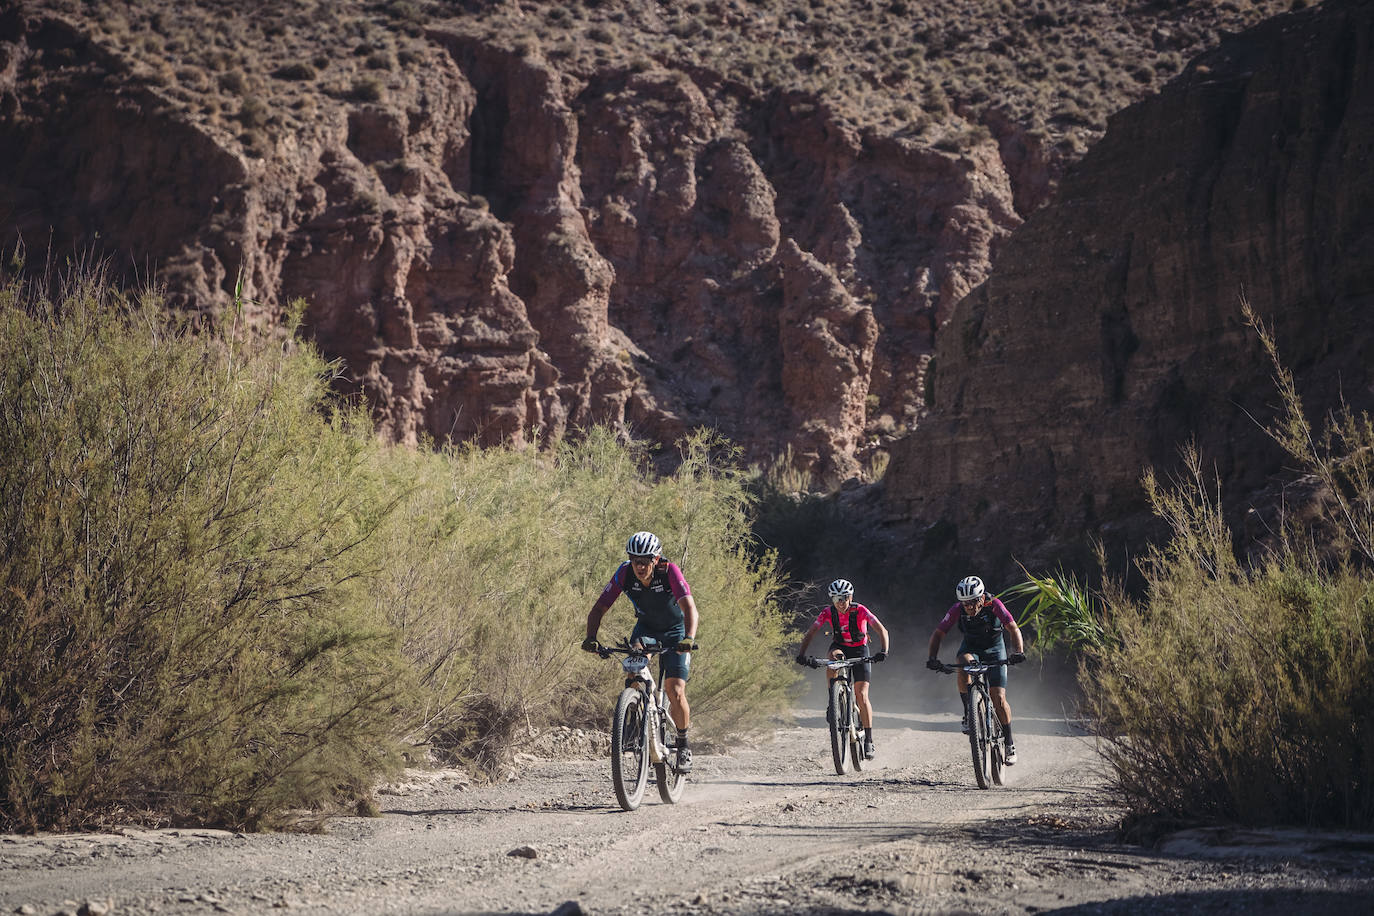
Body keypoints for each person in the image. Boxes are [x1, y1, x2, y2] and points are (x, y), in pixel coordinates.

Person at [582, 531, 700, 773]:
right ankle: (635, 723)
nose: (640, 566)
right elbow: (599, 608)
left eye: (645, 560)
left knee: (675, 689)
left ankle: (683, 744)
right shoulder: (624, 573)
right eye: (635, 560)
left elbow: (689, 608)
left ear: (655, 560)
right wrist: (591, 638)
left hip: (676, 631)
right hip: (646, 629)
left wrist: (689, 637)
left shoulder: (669, 571)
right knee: (633, 670)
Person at [925, 575, 1026, 764]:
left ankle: (1009, 743)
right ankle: (968, 713)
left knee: (998, 698)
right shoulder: (957, 610)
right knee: (962, 662)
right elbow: (938, 633)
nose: (968, 607)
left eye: (972, 602)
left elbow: (1013, 628)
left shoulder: (994, 604)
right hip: (971, 649)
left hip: (995, 649)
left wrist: (1018, 651)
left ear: (981, 598)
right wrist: (932, 658)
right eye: (964, 603)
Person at [795, 578, 891, 760]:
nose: (840, 602)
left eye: (844, 598)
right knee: (833, 659)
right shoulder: (828, 613)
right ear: (832, 599)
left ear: (850, 597)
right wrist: (802, 654)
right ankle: (833, 699)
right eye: (836, 599)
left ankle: (869, 740)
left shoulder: (860, 610)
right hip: (840, 647)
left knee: (862, 695)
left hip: (861, 649)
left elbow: (881, 630)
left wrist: (883, 651)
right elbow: (811, 632)